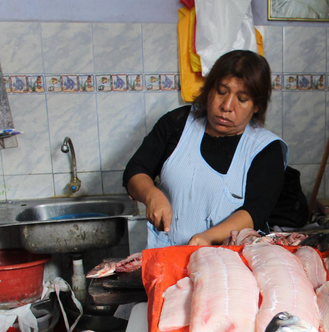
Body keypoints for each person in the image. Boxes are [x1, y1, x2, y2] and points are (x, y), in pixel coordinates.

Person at [123, 50, 287, 249]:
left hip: (229, 262)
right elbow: (135, 169)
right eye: (221, 91)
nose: (226, 106)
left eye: (242, 99)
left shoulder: (265, 149)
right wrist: (151, 194)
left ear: (256, 106)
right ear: (209, 89)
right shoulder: (177, 124)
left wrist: (207, 238)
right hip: (166, 255)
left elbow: (255, 212)